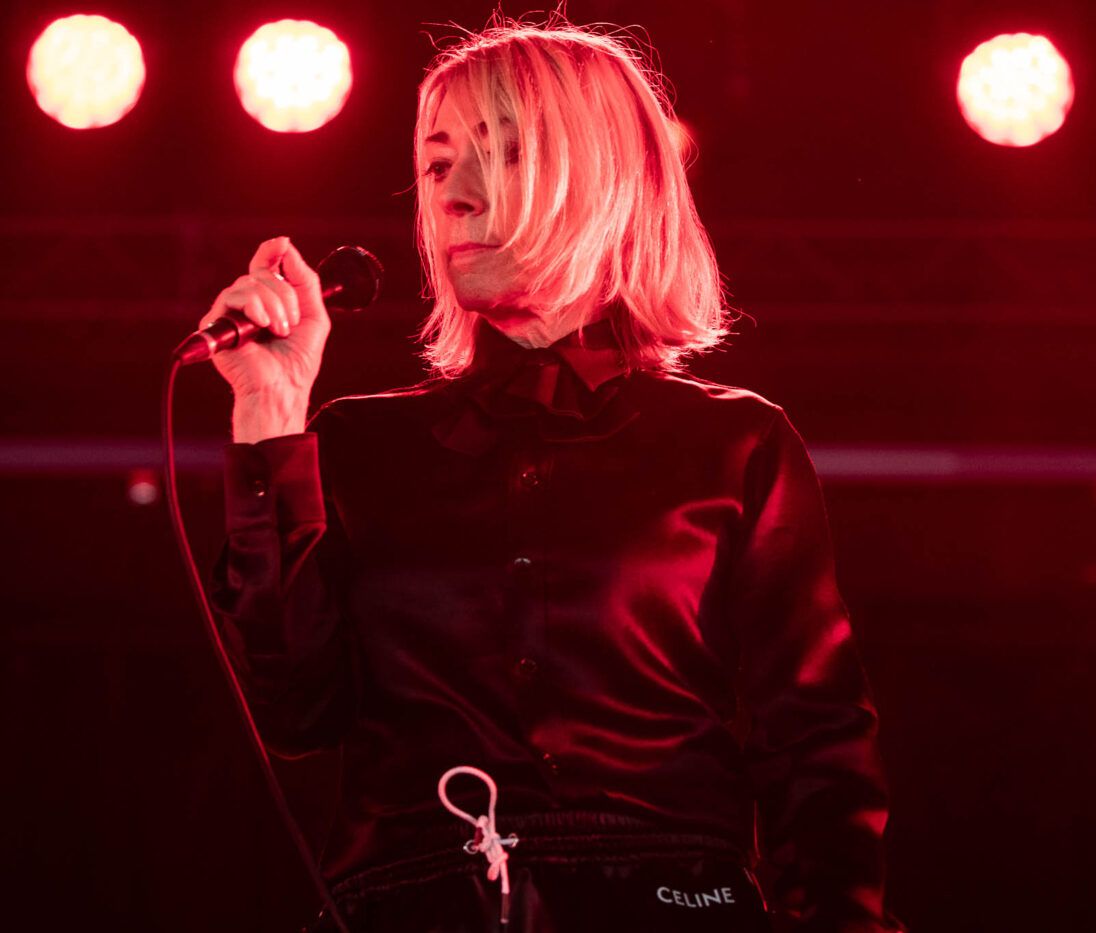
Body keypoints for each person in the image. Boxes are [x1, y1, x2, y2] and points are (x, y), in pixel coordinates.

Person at [205, 15, 900, 933]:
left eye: (504, 151)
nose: (454, 194)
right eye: (438, 163)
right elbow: (295, 712)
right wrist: (269, 417)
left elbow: (818, 751)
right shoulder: (352, 446)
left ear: (600, 176)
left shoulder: (735, 445)